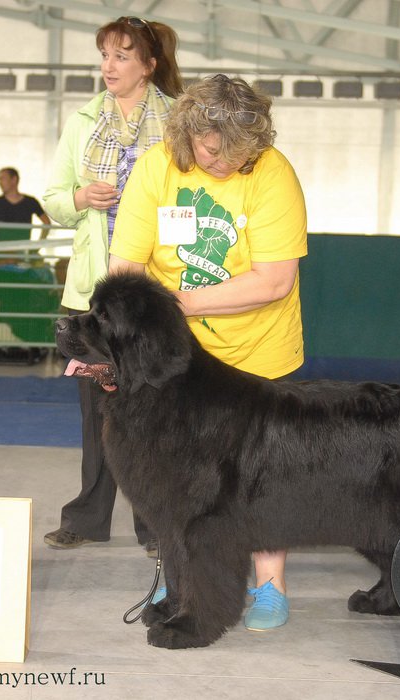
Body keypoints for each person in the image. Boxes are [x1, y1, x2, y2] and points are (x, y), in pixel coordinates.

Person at [108, 74, 308, 632]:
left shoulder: (273, 173)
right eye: (212, 149)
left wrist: (173, 305)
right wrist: (133, 329)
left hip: (259, 347)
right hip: (179, 359)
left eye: (238, 152)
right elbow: (126, 265)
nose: (223, 161)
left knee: (262, 474)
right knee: (177, 475)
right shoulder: (156, 168)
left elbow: (273, 280)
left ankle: (270, 586)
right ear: (188, 132)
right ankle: (183, 573)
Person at [42, 17, 183, 554]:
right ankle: (86, 517)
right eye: (104, 55)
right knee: (95, 412)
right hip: (92, 295)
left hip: (157, 294)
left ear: (148, 65)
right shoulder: (81, 122)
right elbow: (52, 199)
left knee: (160, 412)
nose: (108, 66)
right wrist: (80, 200)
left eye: (122, 56)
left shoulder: (176, 122)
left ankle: (155, 524)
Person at [0, 167, 51, 238]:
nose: (0, 182)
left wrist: (38, 245)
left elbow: (46, 222)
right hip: (0, 248)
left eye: (2, 178)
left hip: (22, 247)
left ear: (14, 179)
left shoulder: (30, 202)